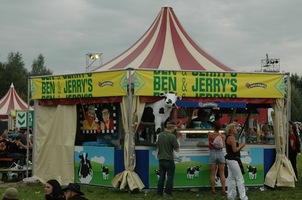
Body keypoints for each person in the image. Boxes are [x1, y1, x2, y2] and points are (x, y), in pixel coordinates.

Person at [225, 123, 248, 200]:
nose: (236, 129)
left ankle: (231, 196)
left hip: (229, 159)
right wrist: (241, 146)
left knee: (231, 178)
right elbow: (235, 150)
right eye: (235, 128)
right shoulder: (232, 138)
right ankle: (243, 197)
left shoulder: (228, 137)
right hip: (233, 159)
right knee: (239, 178)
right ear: (231, 130)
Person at [157, 120, 180, 198]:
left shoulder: (160, 135)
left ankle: (159, 193)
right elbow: (176, 149)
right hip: (169, 159)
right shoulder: (172, 136)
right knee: (170, 177)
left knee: (161, 177)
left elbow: (158, 145)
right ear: (172, 127)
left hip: (161, 158)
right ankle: (167, 193)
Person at [208, 121, 226, 196]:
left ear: (213, 127)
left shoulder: (210, 134)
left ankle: (213, 190)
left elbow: (209, 139)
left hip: (212, 153)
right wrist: (223, 138)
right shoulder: (222, 136)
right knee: (222, 173)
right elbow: (223, 145)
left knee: (212, 173)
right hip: (220, 153)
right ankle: (223, 190)